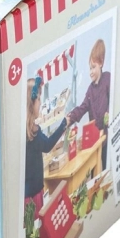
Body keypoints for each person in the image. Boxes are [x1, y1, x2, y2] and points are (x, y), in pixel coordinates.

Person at [25, 77, 69, 218]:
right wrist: (64, 124)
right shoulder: (33, 131)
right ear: (31, 104)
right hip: (34, 194)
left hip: (26, 193)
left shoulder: (26, 130)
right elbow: (48, 145)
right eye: (38, 99)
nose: (40, 103)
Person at [67, 39, 110, 169]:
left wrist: (109, 112)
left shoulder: (107, 79)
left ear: (101, 63)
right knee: (93, 167)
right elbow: (83, 107)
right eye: (89, 68)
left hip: (106, 135)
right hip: (94, 137)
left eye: (93, 67)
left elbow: (113, 98)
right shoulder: (90, 90)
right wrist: (70, 117)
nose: (90, 71)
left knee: (105, 163)